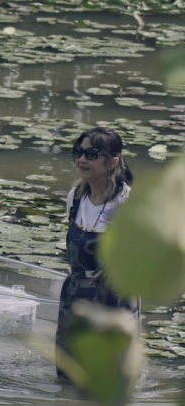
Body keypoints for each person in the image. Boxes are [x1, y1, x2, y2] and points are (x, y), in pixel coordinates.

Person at [56, 127, 136, 376]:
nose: (81, 159)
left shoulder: (125, 204)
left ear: (112, 162)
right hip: (74, 295)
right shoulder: (75, 198)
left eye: (91, 153)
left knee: (108, 375)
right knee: (67, 371)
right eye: (79, 152)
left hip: (112, 298)